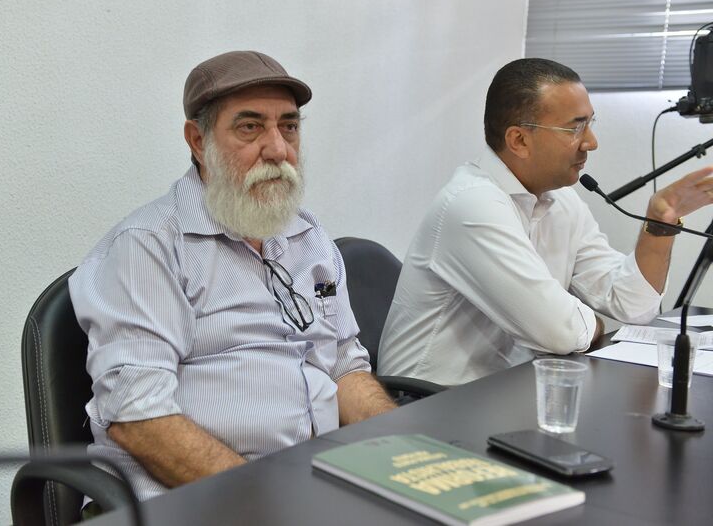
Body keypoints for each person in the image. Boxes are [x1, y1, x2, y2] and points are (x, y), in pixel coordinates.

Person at [69, 50, 396, 504]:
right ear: (198, 141)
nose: (278, 149)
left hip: (308, 483)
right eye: (250, 127)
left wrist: (400, 451)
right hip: (194, 498)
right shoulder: (149, 246)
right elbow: (139, 419)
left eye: (289, 126)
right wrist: (267, 501)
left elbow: (343, 365)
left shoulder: (307, 234)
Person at [378, 58, 713, 387]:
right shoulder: (472, 204)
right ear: (519, 141)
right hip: (428, 401)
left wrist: (660, 223)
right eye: (575, 127)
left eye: (590, 123)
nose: (591, 142)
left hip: (508, 389)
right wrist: (592, 324)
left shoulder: (561, 200)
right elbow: (559, 333)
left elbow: (631, 306)